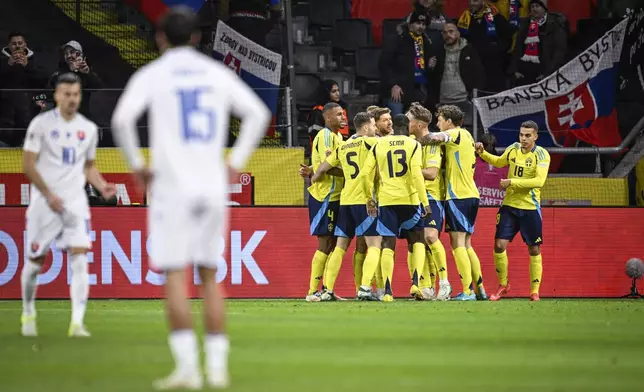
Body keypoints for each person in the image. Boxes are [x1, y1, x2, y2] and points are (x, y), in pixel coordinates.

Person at [111, 6, 271, 389]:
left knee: (176, 275)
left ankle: (187, 370)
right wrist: (234, 161)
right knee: (210, 275)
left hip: (170, 186)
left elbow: (121, 120)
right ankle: (217, 370)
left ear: (161, 38)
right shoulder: (216, 73)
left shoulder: (154, 74)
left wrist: (136, 164)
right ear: (197, 38)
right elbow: (257, 114)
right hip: (211, 185)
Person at [20, 72, 116, 338]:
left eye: (76, 94)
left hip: (74, 202)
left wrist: (102, 185)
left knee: (80, 259)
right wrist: (48, 194)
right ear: (56, 95)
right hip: (45, 202)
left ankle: (77, 322)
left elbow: (89, 167)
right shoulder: (40, 125)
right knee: (35, 262)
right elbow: (28, 165)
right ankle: (28, 311)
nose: (72, 99)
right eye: (67, 94)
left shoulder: (88, 129)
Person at [357, 113, 430, 302]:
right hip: (410, 200)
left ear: (392, 127)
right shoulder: (413, 144)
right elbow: (416, 175)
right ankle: (415, 282)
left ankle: (388, 291)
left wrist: (369, 199)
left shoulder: (379, 144)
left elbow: (365, 174)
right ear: (407, 127)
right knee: (417, 241)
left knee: (388, 245)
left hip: (387, 201)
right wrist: (425, 202)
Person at [475, 121, 550, 301]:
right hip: (509, 206)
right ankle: (503, 284)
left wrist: (512, 182)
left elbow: (539, 181)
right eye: (521, 135)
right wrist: (482, 153)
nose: (523, 139)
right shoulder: (513, 148)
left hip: (530, 207)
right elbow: (500, 162)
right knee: (499, 245)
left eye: (527, 136)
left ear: (535, 136)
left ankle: (534, 291)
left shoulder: (541, 154)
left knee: (533, 248)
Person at [310, 112, 379, 300]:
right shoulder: (371, 142)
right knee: (374, 244)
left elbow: (323, 167)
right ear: (365, 128)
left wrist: (313, 177)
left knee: (340, 246)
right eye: (373, 126)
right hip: (363, 201)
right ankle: (365, 288)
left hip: (345, 200)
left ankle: (327, 290)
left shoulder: (343, 145)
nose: (375, 129)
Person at [426, 105, 486, 300]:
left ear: (449, 121)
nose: (438, 123)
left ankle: (467, 291)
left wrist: (420, 138)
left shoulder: (453, 133)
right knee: (467, 243)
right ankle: (480, 289)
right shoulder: (468, 136)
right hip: (471, 194)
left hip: (457, 195)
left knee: (457, 242)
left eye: (440, 119)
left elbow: (438, 137)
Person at [407, 103, 452, 300]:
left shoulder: (432, 144)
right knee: (417, 242)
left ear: (418, 124)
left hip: (432, 196)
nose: (406, 123)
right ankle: (425, 286)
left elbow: (432, 174)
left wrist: (406, 172)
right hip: (411, 197)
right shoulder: (407, 142)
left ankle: (444, 283)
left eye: (409, 120)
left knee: (431, 236)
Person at [303, 102, 346, 302]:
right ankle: (312, 291)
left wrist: (311, 168)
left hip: (337, 195)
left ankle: (326, 290)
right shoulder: (326, 136)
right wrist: (353, 174)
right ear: (328, 118)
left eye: (343, 114)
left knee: (333, 244)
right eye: (338, 114)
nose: (343, 117)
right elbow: (327, 167)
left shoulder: (338, 137)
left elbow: (320, 164)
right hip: (324, 196)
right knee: (325, 242)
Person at [379, 10, 438, 116]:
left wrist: (429, 67)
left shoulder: (426, 42)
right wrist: (393, 85)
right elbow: (384, 64)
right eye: (418, 23)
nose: (421, 27)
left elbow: (424, 71)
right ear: (410, 24)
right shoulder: (397, 39)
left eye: (424, 24)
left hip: (417, 91)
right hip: (398, 90)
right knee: (398, 124)